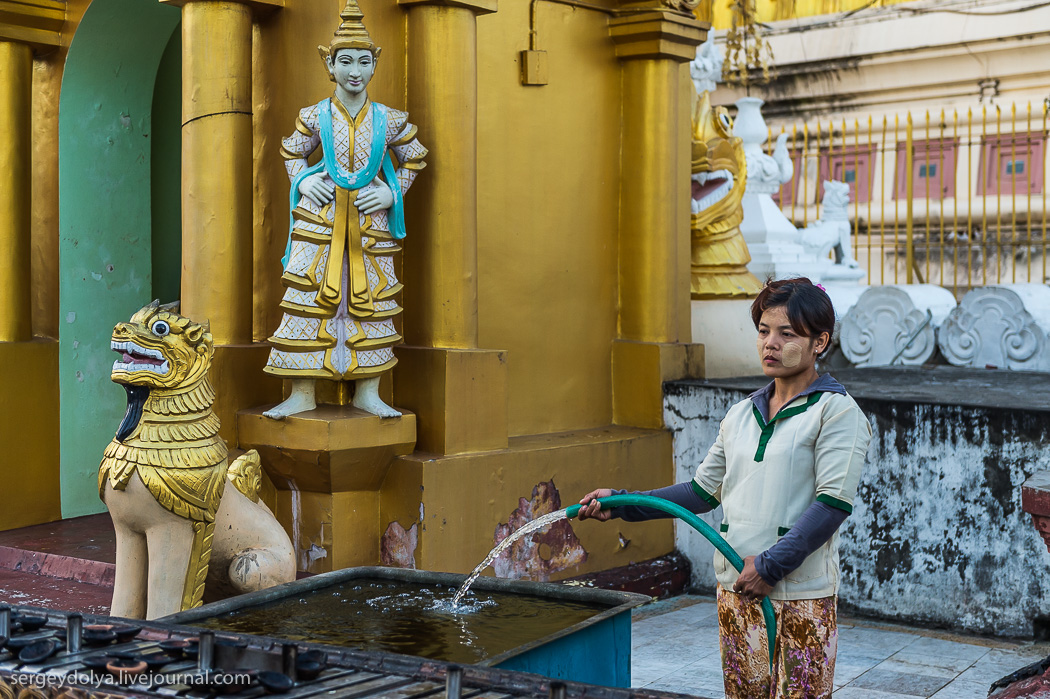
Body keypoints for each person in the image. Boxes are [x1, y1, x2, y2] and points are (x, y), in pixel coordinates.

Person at [579, 277, 871, 699]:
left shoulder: (836, 413)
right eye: (763, 331)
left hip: (800, 595)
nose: (770, 343)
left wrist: (770, 567)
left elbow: (831, 505)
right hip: (738, 587)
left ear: (819, 342)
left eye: (787, 334)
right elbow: (699, 493)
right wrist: (624, 503)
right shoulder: (740, 414)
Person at [263, 0, 427, 420]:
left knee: (370, 299)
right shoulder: (314, 116)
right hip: (319, 225)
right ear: (329, 65)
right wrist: (305, 181)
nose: (355, 71)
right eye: (345, 61)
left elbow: (415, 156)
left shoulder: (388, 120)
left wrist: (392, 195)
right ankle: (302, 391)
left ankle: (367, 391)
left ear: (375, 66)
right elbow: (291, 153)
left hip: (371, 226)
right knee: (308, 298)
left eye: (363, 61)